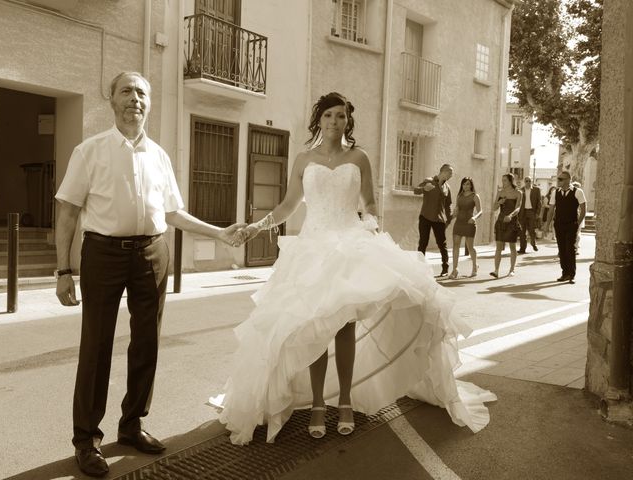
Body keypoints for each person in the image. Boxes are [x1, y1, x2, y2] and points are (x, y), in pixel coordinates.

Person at [209, 92, 496, 446]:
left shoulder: (359, 158)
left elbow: (370, 202)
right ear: (319, 119)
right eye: (329, 115)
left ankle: (344, 400)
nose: (334, 122)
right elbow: (287, 206)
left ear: (348, 120)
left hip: (349, 244)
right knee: (314, 327)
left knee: (344, 326)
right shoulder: (303, 159)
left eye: (341, 116)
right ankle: (316, 404)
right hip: (313, 249)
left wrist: (371, 224)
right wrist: (256, 227)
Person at [55, 72, 244, 478]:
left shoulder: (158, 155)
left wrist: (218, 232)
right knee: (96, 346)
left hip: (153, 253)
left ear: (149, 103)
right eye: (126, 91)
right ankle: (86, 439)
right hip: (102, 254)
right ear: (112, 100)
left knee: (148, 343)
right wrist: (62, 270)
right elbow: (68, 211)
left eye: (142, 93)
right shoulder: (89, 151)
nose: (134, 99)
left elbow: (172, 212)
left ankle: (132, 425)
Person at [413, 164, 454, 276]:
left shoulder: (447, 188)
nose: (451, 175)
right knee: (423, 242)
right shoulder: (429, 180)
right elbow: (415, 190)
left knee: (442, 244)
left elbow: (448, 204)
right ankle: (419, 268)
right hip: (425, 216)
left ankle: (445, 268)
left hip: (439, 219)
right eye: (450, 173)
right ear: (444, 171)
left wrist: (449, 218)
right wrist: (423, 189)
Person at [547, 172, 586, 283]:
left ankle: (571, 274)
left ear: (568, 179)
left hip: (571, 224)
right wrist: (546, 225)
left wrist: (577, 224)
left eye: (561, 179)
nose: (558, 181)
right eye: (558, 179)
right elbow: (551, 210)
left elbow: (583, 209)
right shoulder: (555, 192)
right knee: (562, 249)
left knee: (570, 249)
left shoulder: (578, 192)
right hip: (559, 224)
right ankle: (565, 273)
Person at [449, 177, 482, 279]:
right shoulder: (459, 196)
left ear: (471, 185)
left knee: (470, 247)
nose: (465, 186)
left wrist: (474, 217)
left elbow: (480, 211)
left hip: (469, 223)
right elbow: (457, 210)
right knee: (456, 246)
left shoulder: (475, 196)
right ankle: (455, 270)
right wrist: (451, 216)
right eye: (464, 184)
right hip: (459, 223)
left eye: (468, 184)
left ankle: (475, 265)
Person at [490, 173, 523, 278]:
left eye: (504, 180)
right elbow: (494, 208)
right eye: (502, 180)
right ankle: (496, 270)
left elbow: (518, 208)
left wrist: (510, 215)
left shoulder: (518, 193)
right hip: (501, 221)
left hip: (512, 222)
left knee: (512, 246)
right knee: (498, 246)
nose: (502, 182)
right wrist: (499, 202)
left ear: (510, 181)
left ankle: (512, 269)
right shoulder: (500, 192)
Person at [517, 177, 541, 254]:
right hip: (522, 213)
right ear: (524, 182)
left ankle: (533, 243)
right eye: (526, 181)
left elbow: (539, 202)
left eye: (529, 181)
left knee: (531, 230)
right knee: (522, 231)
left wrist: (537, 213)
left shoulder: (536, 190)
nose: (528, 182)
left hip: (531, 212)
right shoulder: (520, 190)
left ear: (531, 181)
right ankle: (522, 248)